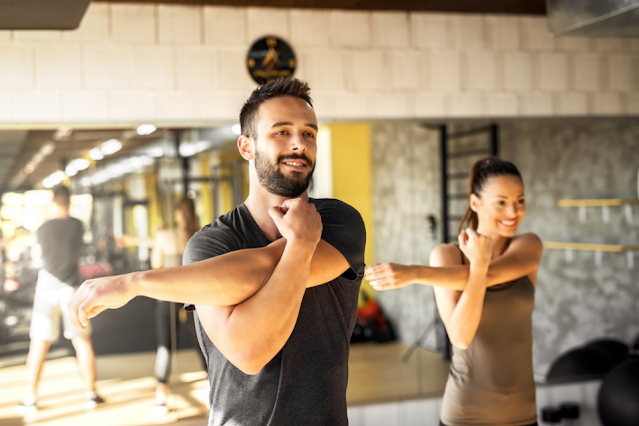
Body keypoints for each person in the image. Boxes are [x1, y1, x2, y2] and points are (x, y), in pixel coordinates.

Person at [67, 77, 366, 425]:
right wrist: (301, 245)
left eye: (309, 133)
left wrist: (137, 283)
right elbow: (248, 351)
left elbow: (257, 269)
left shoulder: (337, 222)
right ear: (246, 147)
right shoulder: (209, 245)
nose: (299, 143)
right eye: (281, 132)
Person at [365, 157, 543, 426]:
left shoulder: (528, 246)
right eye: (501, 202)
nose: (513, 212)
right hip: (466, 415)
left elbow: (491, 275)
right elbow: (460, 337)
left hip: (524, 415)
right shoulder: (447, 256)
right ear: (475, 203)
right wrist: (478, 265)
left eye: (520, 201)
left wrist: (415, 273)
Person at [17, 186, 104, 414]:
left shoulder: (42, 228)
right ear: (69, 202)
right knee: (82, 341)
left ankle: (31, 398)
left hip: (46, 288)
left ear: (53, 202)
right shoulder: (77, 225)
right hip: (70, 289)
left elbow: (41, 250)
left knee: (39, 344)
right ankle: (91, 394)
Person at [119, 197, 205, 415]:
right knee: (203, 344)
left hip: (168, 295)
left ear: (177, 213)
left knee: (165, 346)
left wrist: (158, 240)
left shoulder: (165, 235)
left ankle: (161, 397)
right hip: (195, 294)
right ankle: (215, 391)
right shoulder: (201, 234)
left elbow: (156, 264)